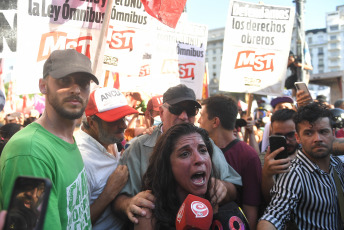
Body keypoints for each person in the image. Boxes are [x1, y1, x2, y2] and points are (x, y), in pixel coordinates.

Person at [113, 84, 242, 224]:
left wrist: (222, 187)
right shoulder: (138, 147)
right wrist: (128, 203)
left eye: (191, 110)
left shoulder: (206, 144)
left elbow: (234, 186)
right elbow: (115, 197)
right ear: (162, 113)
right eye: (177, 109)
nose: (184, 116)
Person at [0, 49, 99, 229]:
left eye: (83, 83)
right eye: (64, 80)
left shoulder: (67, 140)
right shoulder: (30, 151)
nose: (76, 89)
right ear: (43, 85)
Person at [258, 102, 344, 230]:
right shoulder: (294, 174)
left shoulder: (338, 165)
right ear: (298, 137)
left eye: (323, 131)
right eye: (309, 133)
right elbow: (273, 216)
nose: (317, 138)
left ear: (333, 133)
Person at [135, 123, 218, 229]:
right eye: (185, 154)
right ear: (167, 165)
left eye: (203, 150)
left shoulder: (214, 200)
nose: (199, 159)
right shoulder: (148, 213)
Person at [75, 87, 136, 229]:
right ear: (91, 123)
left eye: (123, 117)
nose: (123, 125)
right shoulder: (81, 160)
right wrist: (109, 192)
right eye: (114, 120)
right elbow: (76, 224)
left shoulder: (108, 138)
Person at [198, 94, 262, 230]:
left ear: (215, 122)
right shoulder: (200, 151)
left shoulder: (248, 156)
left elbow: (250, 209)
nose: (198, 120)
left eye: (202, 116)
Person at [259, 109, 298, 203]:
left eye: (291, 135)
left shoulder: (309, 156)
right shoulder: (262, 160)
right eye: (279, 136)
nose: (287, 141)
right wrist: (267, 175)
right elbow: (270, 200)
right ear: (271, 133)